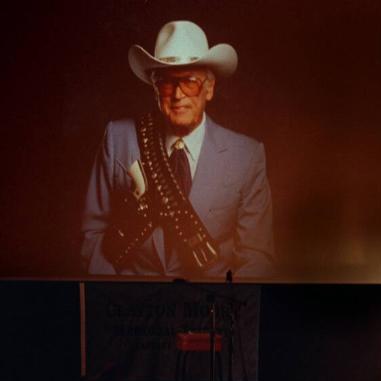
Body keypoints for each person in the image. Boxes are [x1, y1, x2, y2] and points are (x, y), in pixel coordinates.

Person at [81, 20, 274, 279]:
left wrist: (224, 311)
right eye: (167, 82)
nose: (178, 94)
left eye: (190, 81)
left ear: (209, 88)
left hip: (208, 310)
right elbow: (92, 234)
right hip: (133, 309)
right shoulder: (118, 138)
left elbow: (256, 255)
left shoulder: (246, 156)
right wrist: (118, 299)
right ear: (155, 89)